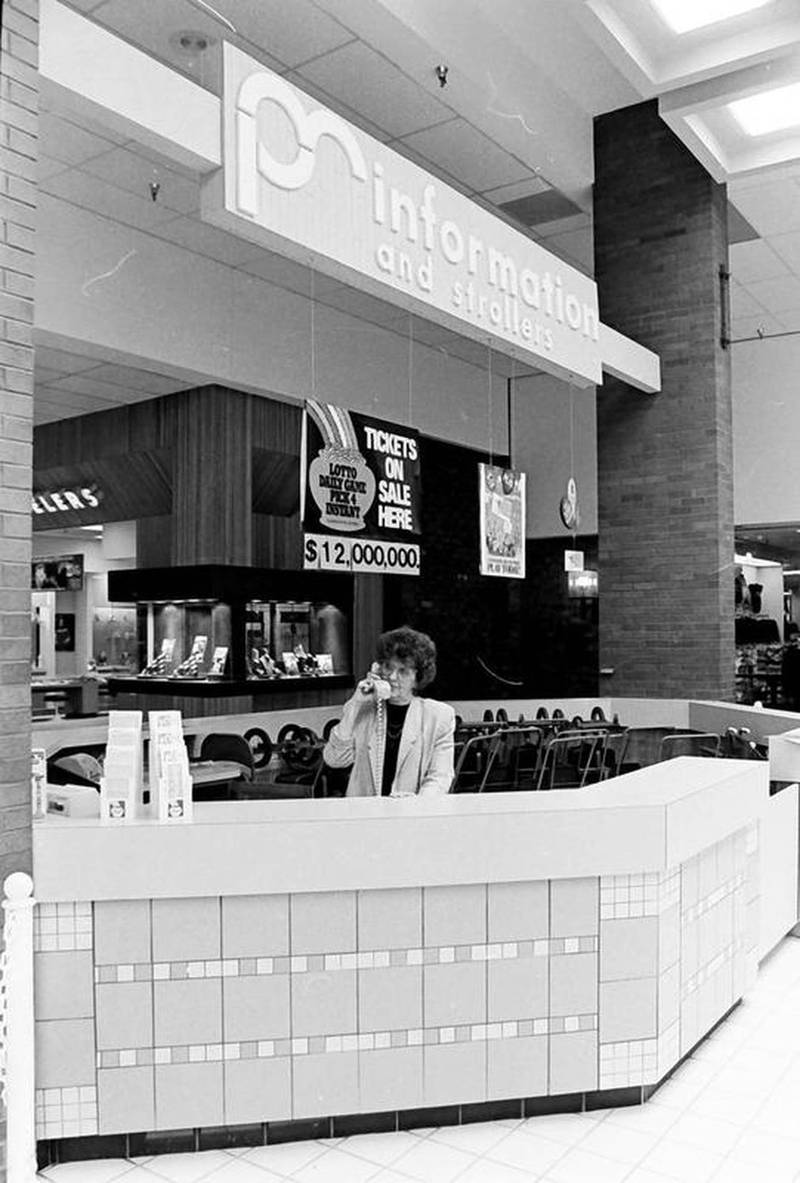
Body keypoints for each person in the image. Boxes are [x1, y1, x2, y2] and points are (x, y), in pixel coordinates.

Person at [323, 626, 455, 796]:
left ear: (418, 678)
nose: (392, 677)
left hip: (411, 814)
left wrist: (418, 804)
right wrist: (355, 704)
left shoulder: (438, 716)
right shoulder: (362, 709)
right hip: (364, 814)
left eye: (403, 671)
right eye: (388, 667)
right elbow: (334, 759)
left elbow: (440, 776)